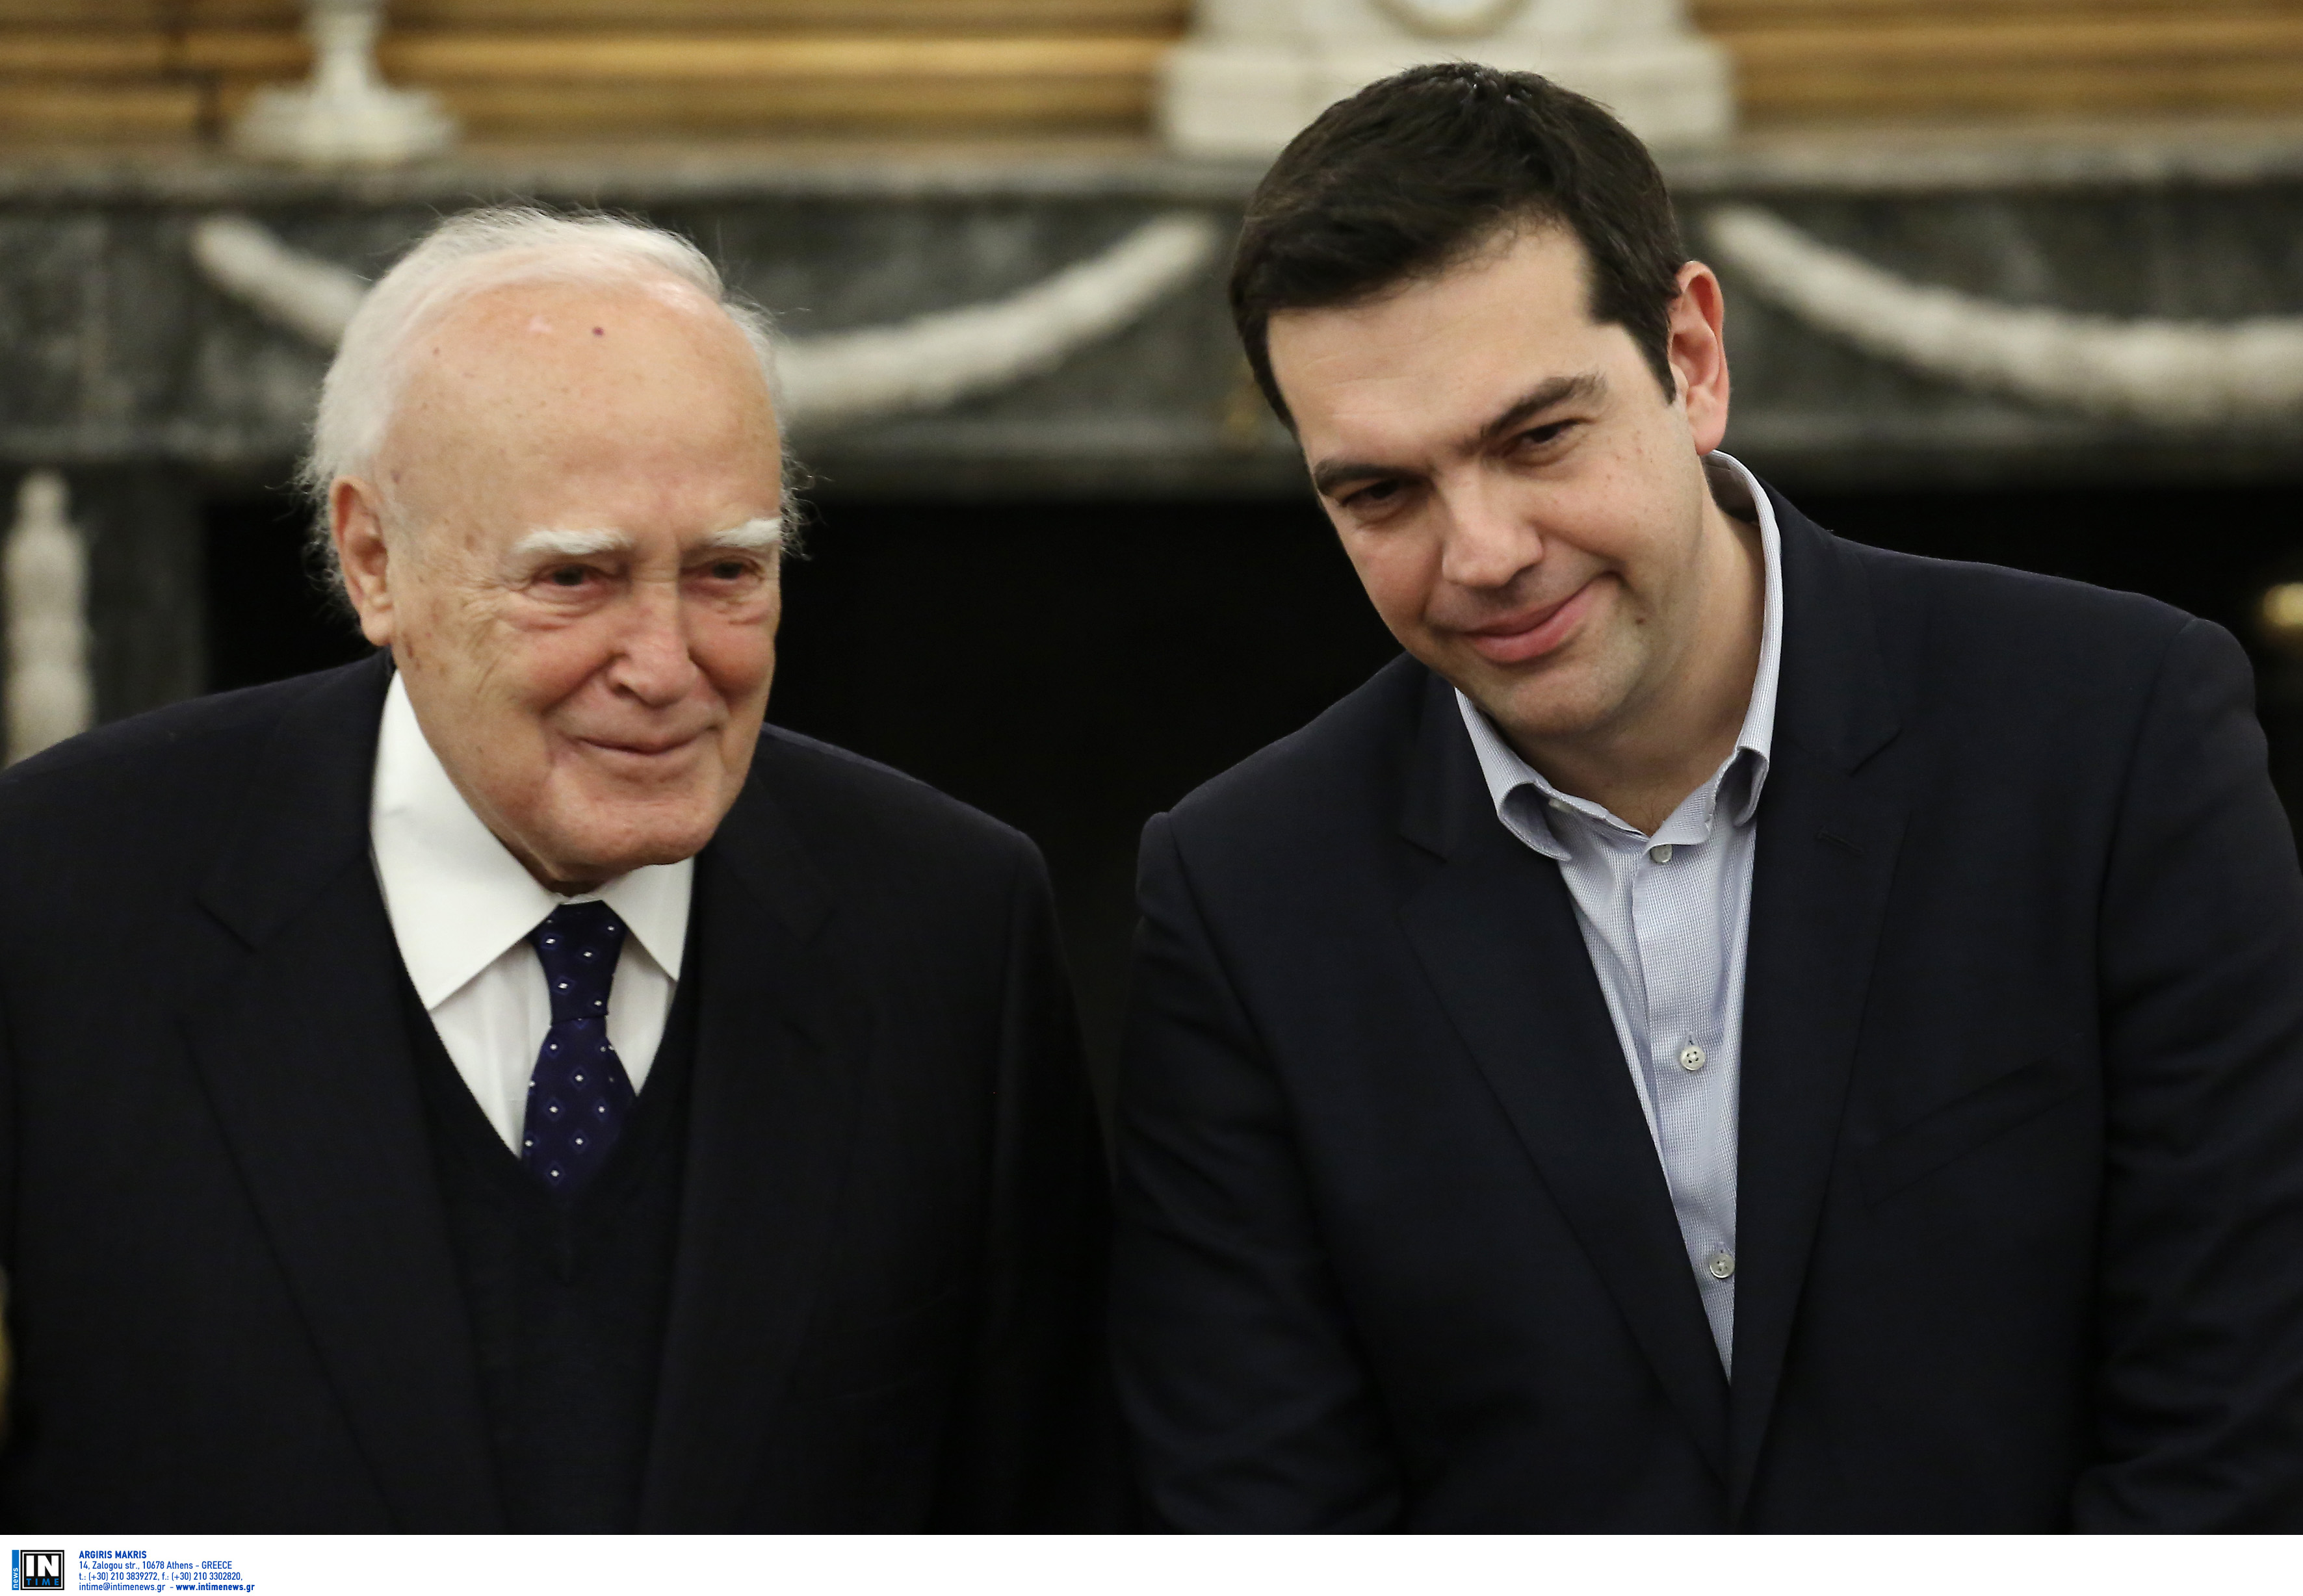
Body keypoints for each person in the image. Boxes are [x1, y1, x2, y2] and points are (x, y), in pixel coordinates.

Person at [1111, 64, 2303, 1530]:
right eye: (1381, 495)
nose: (1482, 553)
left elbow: (2241, 1416)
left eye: (1537, 438)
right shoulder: (1242, 893)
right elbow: (1264, 1511)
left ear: (1690, 356)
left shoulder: (2114, 732)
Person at [0, 207, 1113, 1530]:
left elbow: (1043, 1509)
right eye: (575, 578)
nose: (666, 666)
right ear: (374, 560)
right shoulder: (61, 892)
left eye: (727, 571)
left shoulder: (949, 925)